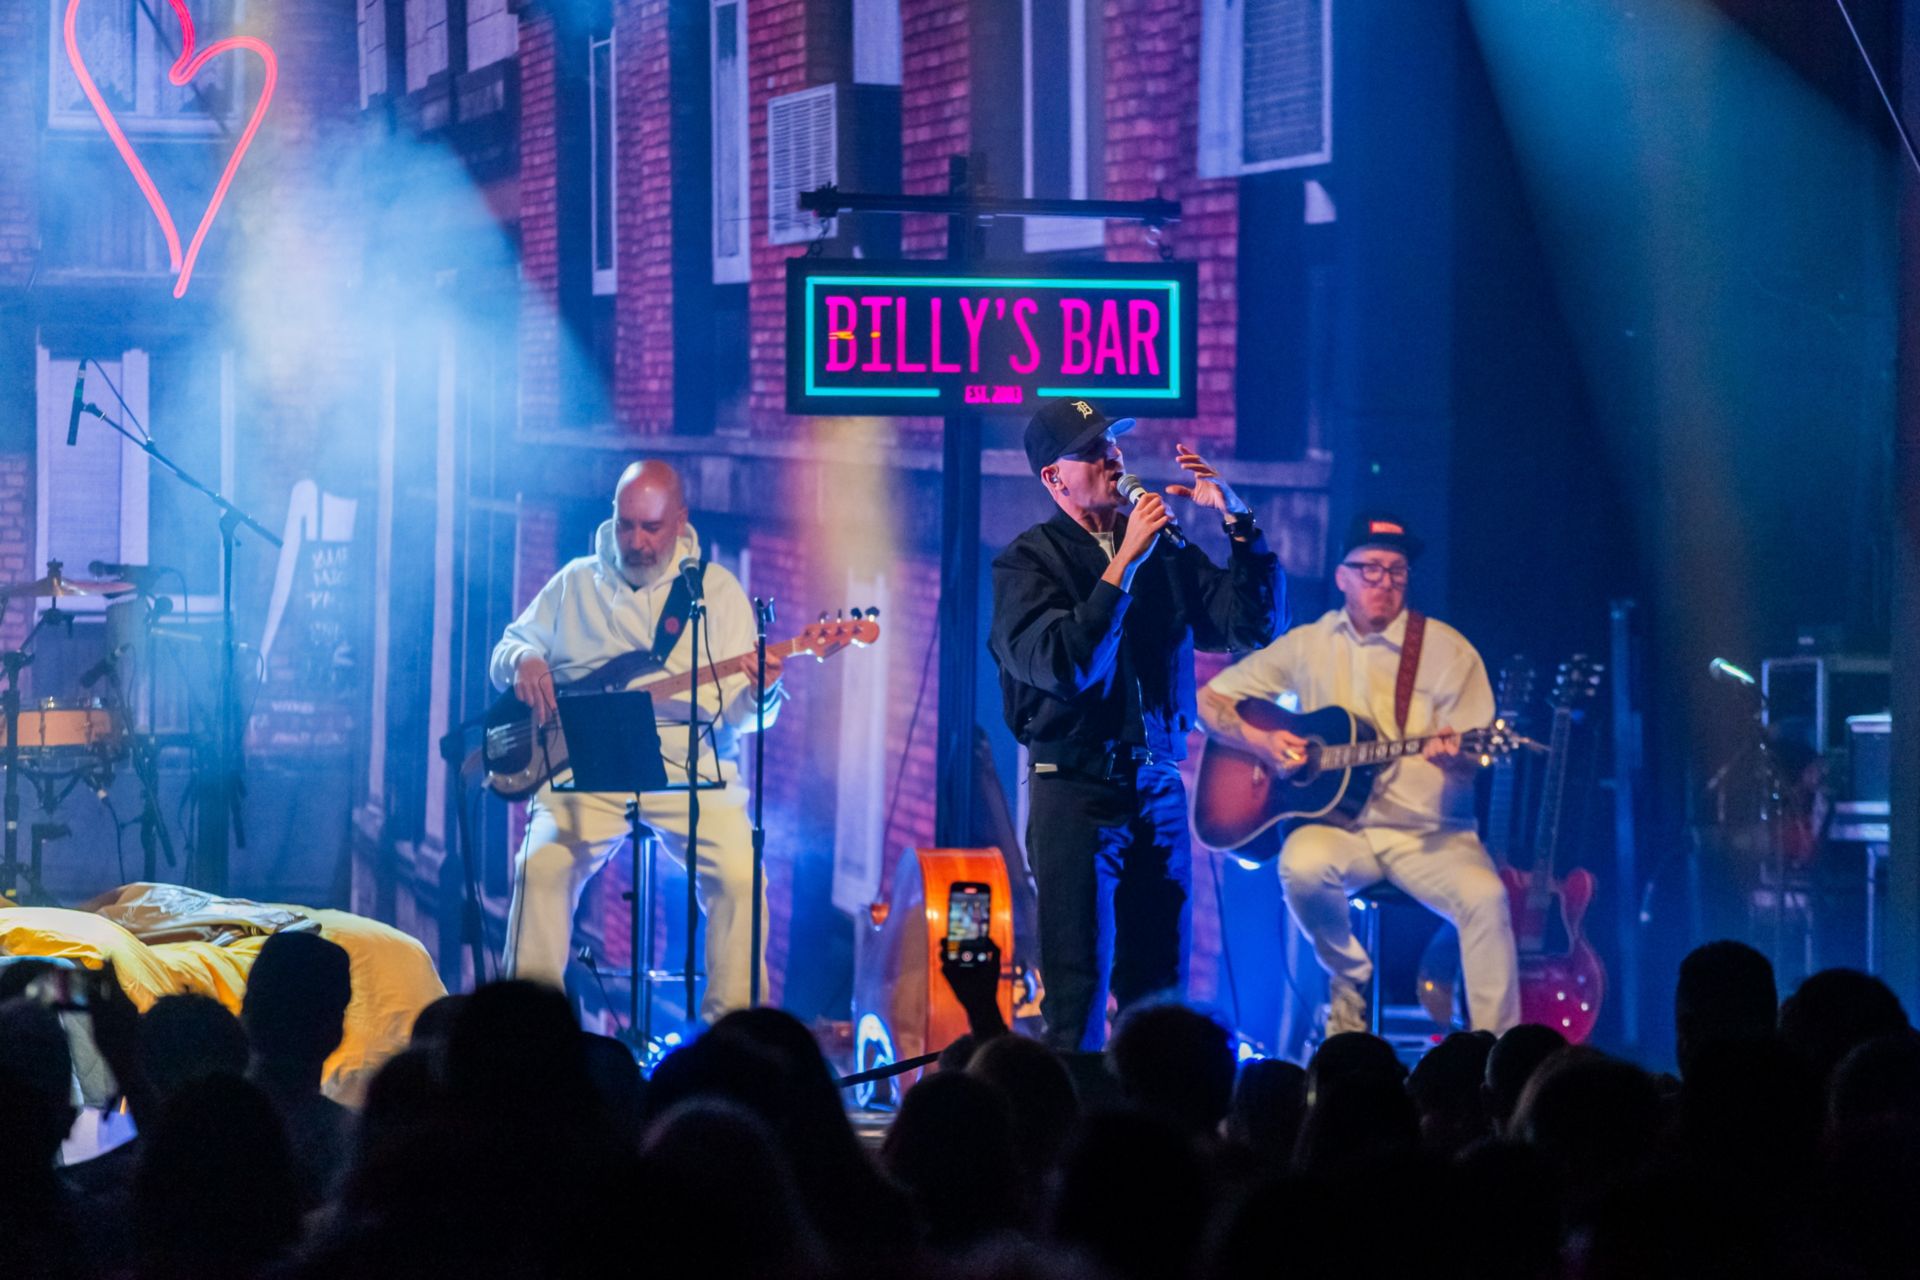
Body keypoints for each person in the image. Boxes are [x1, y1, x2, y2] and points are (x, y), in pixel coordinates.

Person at [990, 397, 1282, 1051]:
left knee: (1160, 995)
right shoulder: (1027, 563)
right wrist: (1122, 565)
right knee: (1079, 990)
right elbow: (1067, 666)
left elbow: (1250, 625)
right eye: (1092, 451)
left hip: (1157, 786)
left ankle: (1156, 1107)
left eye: (1113, 443)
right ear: (1054, 478)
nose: (1113, 457)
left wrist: (1239, 523)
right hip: (1076, 788)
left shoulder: (1164, 552)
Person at [1199, 512, 1519, 1035]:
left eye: (1396, 571)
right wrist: (1262, 741)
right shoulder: (1310, 643)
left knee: (1487, 898)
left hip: (1430, 835)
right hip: (1343, 829)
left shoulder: (1448, 651)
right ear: (1342, 577)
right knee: (1300, 864)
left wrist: (1457, 758)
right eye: (1370, 569)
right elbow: (1208, 701)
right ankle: (1350, 977)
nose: (1383, 582)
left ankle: (1498, 1049)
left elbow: (1474, 752)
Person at [492, 461, 784, 1021]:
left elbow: (742, 717)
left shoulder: (718, 592)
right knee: (539, 870)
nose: (637, 542)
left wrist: (762, 694)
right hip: (585, 771)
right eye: (626, 526)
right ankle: (526, 1030)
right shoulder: (575, 582)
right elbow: (510, 646)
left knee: (742, 877)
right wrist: (524, 658)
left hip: (688, 772)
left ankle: (732, 1033)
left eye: (651, 528)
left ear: (680, 520)